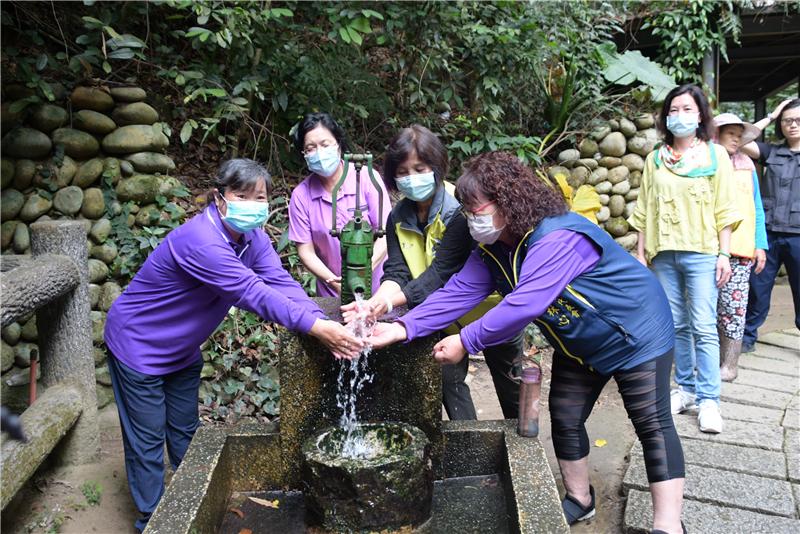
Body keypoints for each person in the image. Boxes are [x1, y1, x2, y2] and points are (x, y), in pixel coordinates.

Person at [367, 151, 685, 534]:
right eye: (465, 210)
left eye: (474, 208)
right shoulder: (494, 248)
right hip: (578, 345)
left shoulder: (559, 236)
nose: (469, 217)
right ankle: (579, 500)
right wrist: (403, 328)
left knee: (651, 424)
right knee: (566, 417)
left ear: (507, 200)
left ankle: (668, 526)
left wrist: (465, 341)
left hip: (636, 332)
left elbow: (524, 303)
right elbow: (457, 292)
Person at [104, 159, 363, 532]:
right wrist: (316, 328)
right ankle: (153, 521)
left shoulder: (252, 236)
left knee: (185, 431)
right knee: (146, 441)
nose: (252, 204)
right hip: (139, 346)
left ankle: (194, 500)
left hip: (183, 348)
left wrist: (320, 319)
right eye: (241, 196)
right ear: (219, 198)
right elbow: (250, 292)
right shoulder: (201, 241)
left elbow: (277, 278)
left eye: (259, 198)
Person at [341, 125, 523, 420]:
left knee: (512, 390)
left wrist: (388, 305)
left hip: (493, 316)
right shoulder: (398, 215)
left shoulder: (460, 209)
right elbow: (397, 269)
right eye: (402, 172)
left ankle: (522, 452)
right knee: (449, 384)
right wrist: (377, 301)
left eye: (420, 168)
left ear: (437, 166)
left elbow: (441, 273)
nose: (411, 179)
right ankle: (468, 452)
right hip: (444, 318)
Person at [628, 84, 740, 434]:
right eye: (674, 110)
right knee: (676, 326)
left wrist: (724, 253)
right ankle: (687, 390)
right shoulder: (655, 159)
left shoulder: (715, 156)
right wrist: (640, 251)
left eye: (688, 109)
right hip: (664, 253)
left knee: (705, 326)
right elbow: (644, 207)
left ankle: (710, 400)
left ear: (701, 115)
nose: (680, 116)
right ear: (665, 117)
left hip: (703, 251)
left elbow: (725, 206)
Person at [289, 112, 390, 297]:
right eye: (310, 148)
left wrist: (364, 271)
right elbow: (306, 251)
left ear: (338, 144)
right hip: (332, 290)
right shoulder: (301, 196)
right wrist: (335, 282)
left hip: (379, 287)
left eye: (325, 144)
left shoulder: (366, 177)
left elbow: (386, 234)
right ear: (303, 154)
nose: (319, 152)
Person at [739, 98, 800, 351]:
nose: (793, 125)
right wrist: (772, 115)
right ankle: (746, 338)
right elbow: (739, 140)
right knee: (757, 288)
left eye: (798, 120)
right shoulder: (772, 152)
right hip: (768, 235)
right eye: (788, 120)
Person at [712, 113, 768, 381]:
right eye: (730, 133)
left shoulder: (747, 166)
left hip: (740, 248)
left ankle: (730, 365)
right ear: (716, 135)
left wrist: (760, 244)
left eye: (739, 134)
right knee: (707, 307)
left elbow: (756, 207)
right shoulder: (705, 163)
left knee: (734, 307)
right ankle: (709, 362)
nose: (736, 139)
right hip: (708, 247)